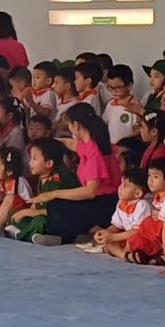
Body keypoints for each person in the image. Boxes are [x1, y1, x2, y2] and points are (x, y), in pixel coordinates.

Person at [35, 103, 120, 245]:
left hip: (105, 203)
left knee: (58, 204)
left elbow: (90, 192)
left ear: (75, 125)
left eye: (69, 124)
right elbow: (72, 144)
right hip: (99, 200)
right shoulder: (88, 143)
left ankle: (68, 236)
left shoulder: (95, 152)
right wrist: (49, 140)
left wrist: (54, 193)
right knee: (56, 204)